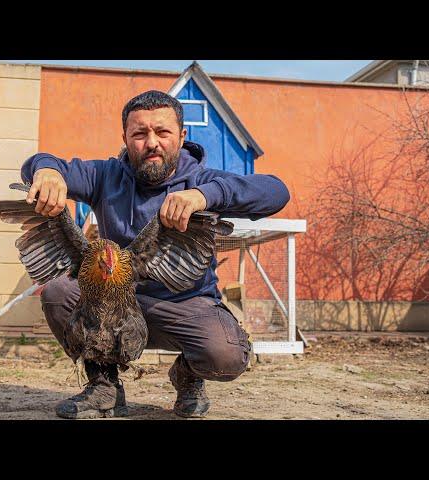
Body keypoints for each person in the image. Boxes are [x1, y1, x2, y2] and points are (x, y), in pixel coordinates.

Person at [20, 90, 290, 419]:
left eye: (162, 132)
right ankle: (103, 385)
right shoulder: (105, 176)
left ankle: (188, 374)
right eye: (139, 133)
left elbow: (276, 192)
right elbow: (41, 162)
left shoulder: (202, 180)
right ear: (125, 137)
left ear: (181, 135)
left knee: (226, 355)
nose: (151, 143)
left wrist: (205, 196)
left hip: (184, 305)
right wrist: (47, 171)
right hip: (117, 305)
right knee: (61, 292)